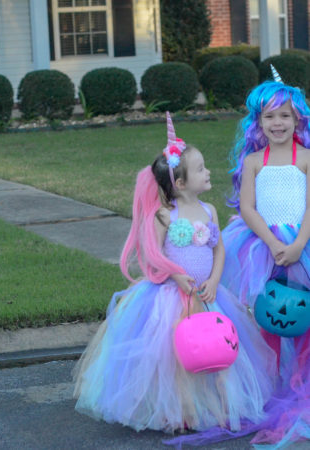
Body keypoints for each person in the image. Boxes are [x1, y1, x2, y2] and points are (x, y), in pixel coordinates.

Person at [73, 112, 276, 439]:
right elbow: (152, 255)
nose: (207, 171)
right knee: (180, 358)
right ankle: (184, 410)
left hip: (208, 296)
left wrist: (214, 280)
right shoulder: (165, 216)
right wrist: (177, 276)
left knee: (222, 352)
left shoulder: (209, 210)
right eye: (200, 169)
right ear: (180, 184)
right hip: (171, 299)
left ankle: (226, 406)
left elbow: (218, 249)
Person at [220, 67, 310, 447]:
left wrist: (295, 246)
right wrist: (273, 245)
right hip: (261, 247)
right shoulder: (254, 161)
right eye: (269, 116)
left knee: (302, 318)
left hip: (303, 245)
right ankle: (270, 389)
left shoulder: (306, 158)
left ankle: (301, 390)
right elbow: (248, 208)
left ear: (297, 119)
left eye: (284, 116)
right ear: (258, 121)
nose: (277, 123)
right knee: (266, 319)